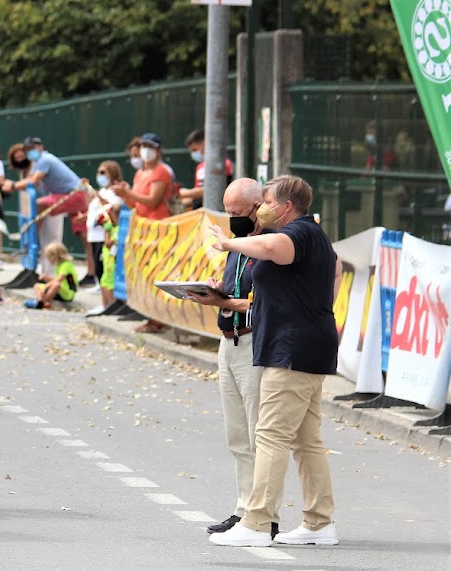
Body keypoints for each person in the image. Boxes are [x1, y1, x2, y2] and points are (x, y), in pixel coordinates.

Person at [208, 175, 340, 548]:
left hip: (293, 349)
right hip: (301, 346)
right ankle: (319, 522)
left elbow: (271, 246)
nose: (261, 208)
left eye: (265, 201)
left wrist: (227, 242)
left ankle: (257, 521)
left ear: (284, 206)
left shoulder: (299, 232)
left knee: (270, 434)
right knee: (305, 439)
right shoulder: (304, 236)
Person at [186, 179, 278, 538]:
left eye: (238, 213)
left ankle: (263, 515)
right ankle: (243, 510)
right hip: (228, 341)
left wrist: (221, 302)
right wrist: (217, 288)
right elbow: (236, 287)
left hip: (254, 342)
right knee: (237, 436)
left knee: (259, 435)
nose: (233, 219)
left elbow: (262, 303)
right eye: (229, 212)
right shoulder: (236, 247)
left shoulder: (271, 244)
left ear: (259, 207)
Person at [111, 132, 173, 333]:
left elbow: (153, 200)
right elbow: (135, 204)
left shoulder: (161, 172)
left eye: (150, 147)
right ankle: (150, 316)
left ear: (158, 150)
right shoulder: (140, 174)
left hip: (158, 229)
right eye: (144, 146)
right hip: (142, 230)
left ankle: (159, 318)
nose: (146, 151)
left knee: (157, 272)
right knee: (145, 275)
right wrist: (125, 194)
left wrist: (128, 193)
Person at [5, 137, 86, 278]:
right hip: (67, 196)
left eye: (32, 148)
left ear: (40, 147)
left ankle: (33, 230)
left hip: (73, 195)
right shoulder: (39, 162)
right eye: (27, 150)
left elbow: (34, 182)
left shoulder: (45, 160)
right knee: (85, 238)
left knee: (38, 206)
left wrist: (12, 186)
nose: (30, 152)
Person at [83, 161, 123, 287]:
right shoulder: (101, 191)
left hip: (105, 236)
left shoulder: (115, 191)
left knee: (104, 266)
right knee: (97, 265)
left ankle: (106, 290)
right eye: (98, 172)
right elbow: (92, 209)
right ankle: (100, 286)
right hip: (93, 235)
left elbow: (113, 208)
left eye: (103, 172)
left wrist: (99, 197)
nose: (99, 175)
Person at [179, 130, 233, 211]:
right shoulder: (200, 167)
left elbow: (215, 190)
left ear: (205, 144)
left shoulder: (222, 164)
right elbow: (198, 196)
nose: (194, 154)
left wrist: (186, 193)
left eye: (195, 149)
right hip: (199, 211)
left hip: (216, 210)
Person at [24, 242, 77, 310]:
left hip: (67, 293)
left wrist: (46, 287)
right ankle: (41, 301)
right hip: (60, 290)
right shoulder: (58, 265)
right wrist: (47, 278)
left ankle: (43, 302)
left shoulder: (66, 265)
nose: (48, 259)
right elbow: (56, 280)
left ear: (56, 255)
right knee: (37, 286)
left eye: (49, 257)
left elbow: (58, 280)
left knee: (56, 284)